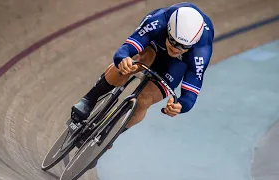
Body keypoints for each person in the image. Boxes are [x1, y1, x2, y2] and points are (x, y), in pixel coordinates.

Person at [71, 2, 214, 133]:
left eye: (184, 47)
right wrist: (124, 59)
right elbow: (125, 50)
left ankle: (110, 134)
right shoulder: (158, 21)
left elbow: (191, 94)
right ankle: (89, 99)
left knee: (145, 100)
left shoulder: (201, 51)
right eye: (174, 42)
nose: (176, 49)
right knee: (137, 61)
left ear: (193, 44)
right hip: (155, 44)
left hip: (178, 64)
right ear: (168, 30)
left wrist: (180, 106)